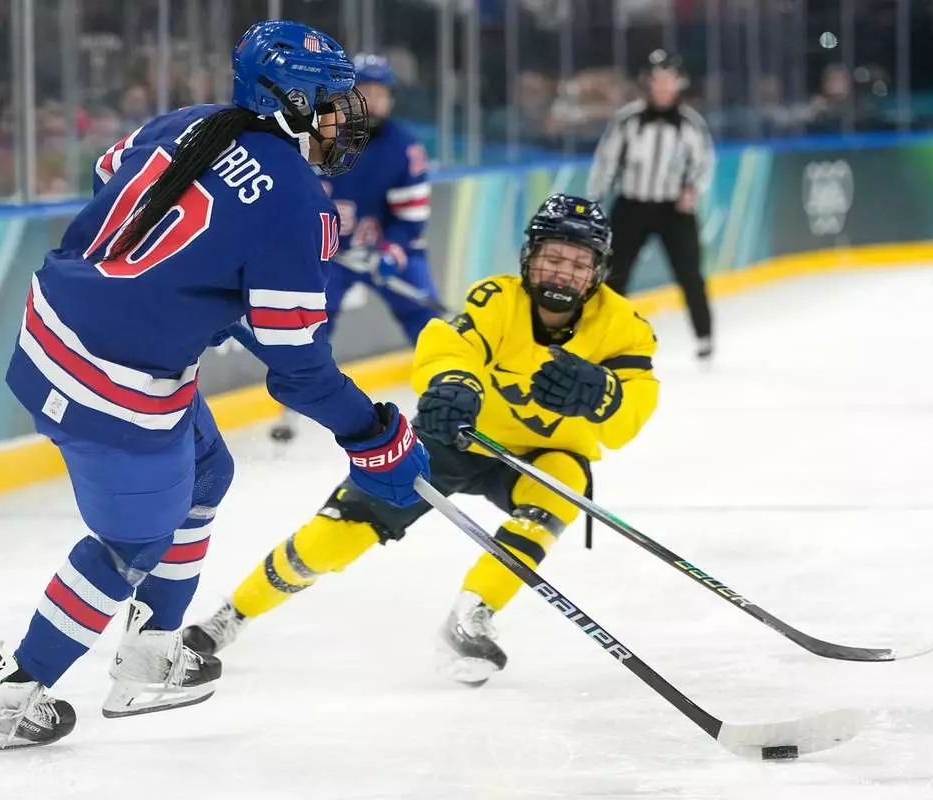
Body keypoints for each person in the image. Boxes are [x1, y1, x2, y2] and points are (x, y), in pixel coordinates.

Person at [0, 20, 430, 754]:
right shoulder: (299, 202)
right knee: (128, 547)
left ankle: (150, 654)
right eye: (332, 101)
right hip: (115, 383)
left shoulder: (191, 122)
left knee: (210, 471)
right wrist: (375, 436)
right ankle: (9, 698)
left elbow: (116, 176)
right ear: (292, 102)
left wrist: (202, 286)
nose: (345, 116)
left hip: (54, 320)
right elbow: (297, 370)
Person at [183, 195, 659, 686]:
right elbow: (452, 346)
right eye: (553, 258)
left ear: (598, 271)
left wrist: (606, 396)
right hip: (458, 436)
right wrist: (455, 384)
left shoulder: (625, 328)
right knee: (341, 531)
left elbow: (634, 410)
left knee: (564, 479)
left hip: (541, 455)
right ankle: (232, 615)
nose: (564, 273)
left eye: (579, 264)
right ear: (529, 258)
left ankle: (471, 615)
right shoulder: (497, 298)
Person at [270, 52, 440, 442]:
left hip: (387, 249)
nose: (374, 100)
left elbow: (411, 221)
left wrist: (390, 254)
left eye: (382, 92)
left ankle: (446, 394)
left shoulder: (404, 149)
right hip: (332, 255)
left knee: (425, 318)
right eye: (364, 90)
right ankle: (292, 405)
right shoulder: (312, 138)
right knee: (309, 322)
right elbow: (290, 202)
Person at [586, 50, 716, 360]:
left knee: (690, 273)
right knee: (614, 275)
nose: (662, 87)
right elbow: (605, 162)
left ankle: (704, 336)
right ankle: (605, 337)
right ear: (648, 83)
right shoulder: (628, 119)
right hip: (631, 205)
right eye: (657, 81)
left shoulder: (690, 123)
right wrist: (594, 201)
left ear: (679, 84)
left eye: (669, 81)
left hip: (674, 210)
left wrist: (692, 191)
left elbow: (704, 162)